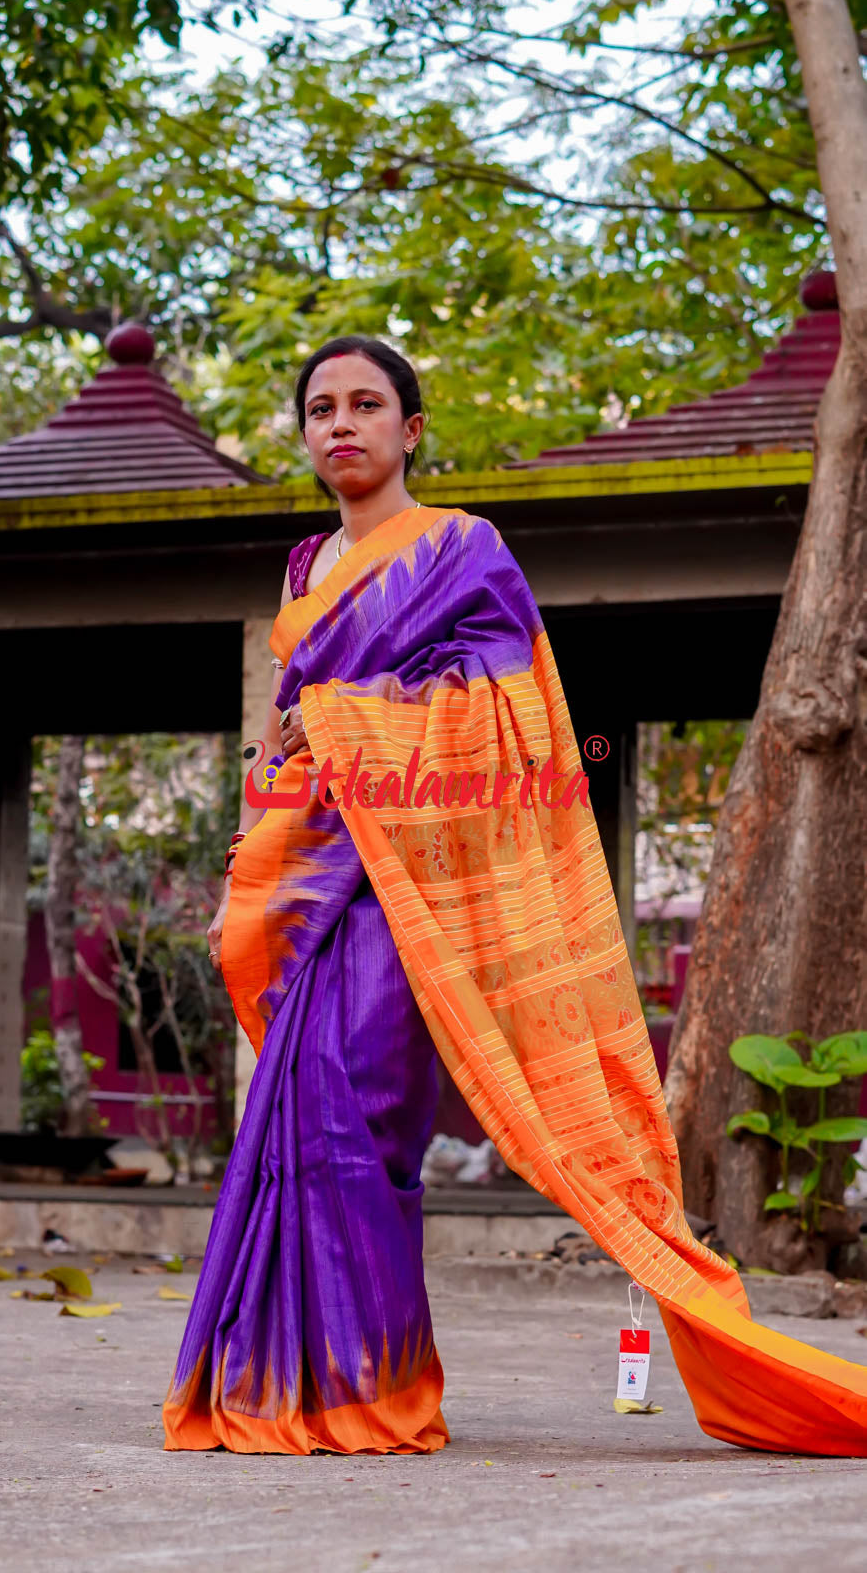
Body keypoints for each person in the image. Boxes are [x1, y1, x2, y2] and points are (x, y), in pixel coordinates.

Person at [163, 335, 867, 1459]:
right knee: (291, 1130)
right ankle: (287, 1384)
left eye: (366, 404)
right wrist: (256, 852)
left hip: (408, 899)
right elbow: (285, 736)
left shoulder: (463, 550)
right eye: (320, 408)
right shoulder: (302, 571)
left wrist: (351, 713)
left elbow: (507, 715)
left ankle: (375, 1392)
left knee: (363, 1130)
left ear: (411, 428)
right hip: (316, 880)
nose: (340, 423)